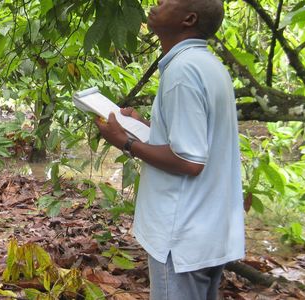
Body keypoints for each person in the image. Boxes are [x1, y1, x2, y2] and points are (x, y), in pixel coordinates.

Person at [95, 0, 245, 299]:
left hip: (182, 234)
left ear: (188, 19)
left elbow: (189, 161)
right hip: (210, 231)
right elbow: (195, 138)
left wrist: (126, 142)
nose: (156, 4)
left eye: (167, 2)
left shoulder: (183, 72)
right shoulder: (209, 66)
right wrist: (145, 126)